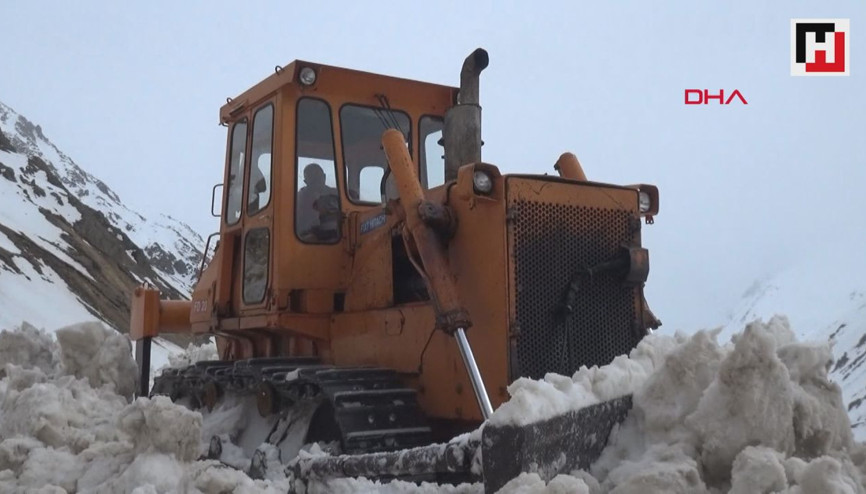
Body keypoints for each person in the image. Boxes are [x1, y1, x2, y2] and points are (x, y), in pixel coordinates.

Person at [296, 163, 338, 240]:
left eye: (318, 177)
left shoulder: (336, 195)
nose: (316, 182)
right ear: (306, 182)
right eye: (313, 179)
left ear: (324, 177)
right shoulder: (300, 198)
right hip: (307, 237)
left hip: (335, 235)